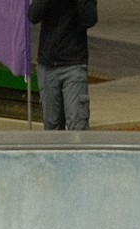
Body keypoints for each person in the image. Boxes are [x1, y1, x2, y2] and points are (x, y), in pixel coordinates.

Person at [28, 0, 96, 131]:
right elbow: (33, 16)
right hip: (47, 65)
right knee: (51, 126)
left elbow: (90, 19)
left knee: (77, 126)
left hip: (74, 64)